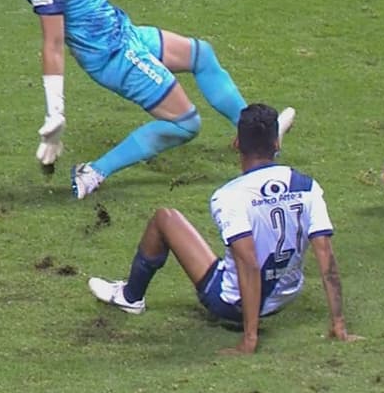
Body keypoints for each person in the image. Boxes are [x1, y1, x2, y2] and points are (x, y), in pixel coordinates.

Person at [15, 0, 295, 199]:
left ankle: (258, 138)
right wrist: (55, 112)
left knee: (202, 55)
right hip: (113, 56)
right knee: (185, 123)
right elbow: (52, 44)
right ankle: (92, 172)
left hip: (123, 33)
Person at [87, 104, 359, 354]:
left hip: (233, 304)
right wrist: (338, 323)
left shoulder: (229, 196)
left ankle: (130, 297)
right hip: (287, 294)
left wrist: (250, 338)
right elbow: (325, 254)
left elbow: (249, 263)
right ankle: (330, 324)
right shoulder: (307, 186)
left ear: (237, 143)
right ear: (276, 143)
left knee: (164, 218)